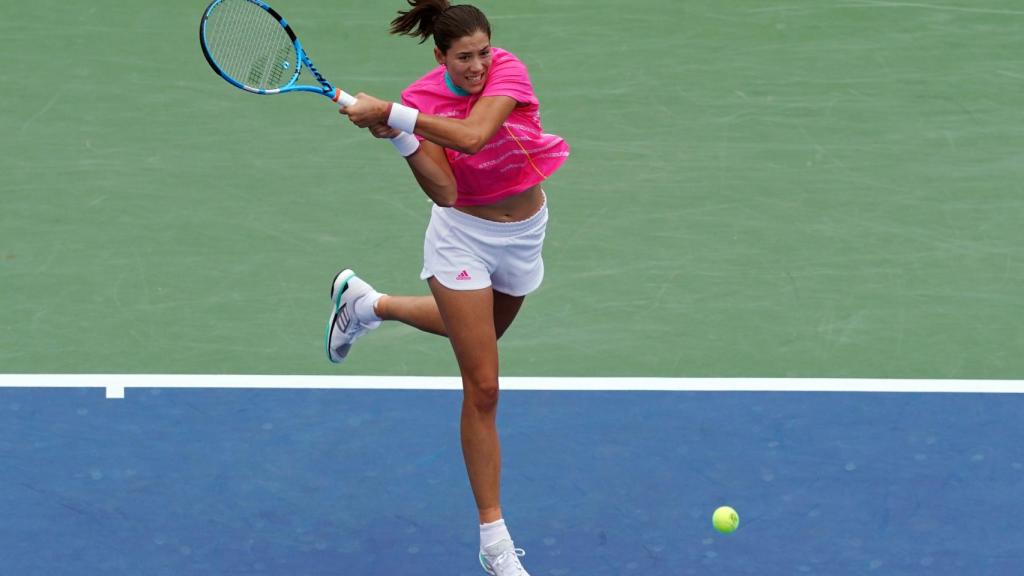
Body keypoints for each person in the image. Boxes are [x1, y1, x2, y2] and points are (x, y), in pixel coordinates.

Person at [326, 1, 569, 574]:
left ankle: (368, 304)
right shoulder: (421, 98)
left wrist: (397, 115)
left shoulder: (508, 70)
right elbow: (445, 193)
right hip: (462, 238)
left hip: (526, 230)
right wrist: (400, 137)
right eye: (464, 58)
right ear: (440, 57)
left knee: (484, 333)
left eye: (483, 52)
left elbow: (477, 135)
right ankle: (495, 543)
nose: (478, 66)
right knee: (483, 386)